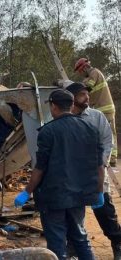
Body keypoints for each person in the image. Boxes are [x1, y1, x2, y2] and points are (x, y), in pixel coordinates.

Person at [14, 89, 105, 260]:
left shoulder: (48, 132)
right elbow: (99, 166)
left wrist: (27, 191)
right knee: (80, 238)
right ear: (71, 105)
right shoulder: (91, 128)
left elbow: (40, 168)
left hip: (53, 197)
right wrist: (99, 191)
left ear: (54, 107)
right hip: (79, 196)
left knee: (56, 243)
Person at [66, 82, 121, 259]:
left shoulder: (96, 117)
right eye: (82, 95)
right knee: (74, 215)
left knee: (106, 213)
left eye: (87, 94)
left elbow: (107, 142)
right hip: (73, 176)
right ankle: (74, 249)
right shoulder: (63, 119)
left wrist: (101, 165)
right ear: (72, 99)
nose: (87, 97)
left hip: (96, 174)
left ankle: (117, 243)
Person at [75, 57, 118, 166]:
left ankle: (112, 158)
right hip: (101, 109)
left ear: (84, 68)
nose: (80, 74)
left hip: (105, 108)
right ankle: (109, 156)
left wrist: (73, 88)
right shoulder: (89, 77)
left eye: (80, 71)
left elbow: (88, 87)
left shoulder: (95, 72)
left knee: (109, 134)